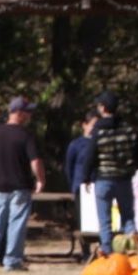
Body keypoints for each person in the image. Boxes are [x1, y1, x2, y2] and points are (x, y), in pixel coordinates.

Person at [0, 96, 43, 272]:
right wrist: (40, 180)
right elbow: (35, 161)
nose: (29, 115)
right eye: (27, 111)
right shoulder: (25, 135)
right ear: (19, 113)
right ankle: (12, 261)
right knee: (16, 224)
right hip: (20, 186)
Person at [88, 90, 138, 256]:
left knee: (105, 220)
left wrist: (87, 176)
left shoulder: (98, 130)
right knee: (128, 216)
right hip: (124, 178)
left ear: (103, 108)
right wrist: (132, 168)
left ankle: (107, 250)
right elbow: (137, 151)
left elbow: (90, 155)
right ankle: (132, 245)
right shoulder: (127, 129)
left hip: (104, 178)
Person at [62, 110, 98, 261]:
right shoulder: (76, 145)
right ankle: (85, 251)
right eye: (92, 125)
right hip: (81, 187)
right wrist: (74, 185)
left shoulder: (99, 142)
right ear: (84, 125)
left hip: (98, 185)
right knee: (83, 221)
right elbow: (69, 167)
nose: (95, 129)